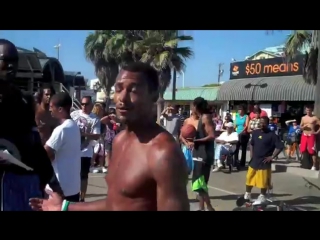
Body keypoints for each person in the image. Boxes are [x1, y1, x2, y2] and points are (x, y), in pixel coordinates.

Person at [30, 62, 189, 211]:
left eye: (133, 90)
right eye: (118, 89)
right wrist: (65, 207)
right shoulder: (120, 140)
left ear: (154, 95)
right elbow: (116, 203)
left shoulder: (164, 154)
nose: (122, 98)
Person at [0, 39, 54, 210]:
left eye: (14, 61)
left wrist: (50, 180)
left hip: (24, 184)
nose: (11, 66)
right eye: (5, 61)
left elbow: (34, 143)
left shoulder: (24, 100)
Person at [44, 93, 81, 202]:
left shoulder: (61, 129)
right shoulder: (74, 126)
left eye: (51, 107)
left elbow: (44, 154)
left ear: (60, 109)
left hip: (59, 188)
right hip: (73, 187)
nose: (50, 110)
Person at [181, 97, 215, 211]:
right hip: (198, 153)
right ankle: (201, 208)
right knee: (199, 184)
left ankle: (209, 208)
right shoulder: (201, 117)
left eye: (192, 105)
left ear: (196, 106)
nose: (191, 108)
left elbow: (212, 135)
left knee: (199, 184)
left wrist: (195, 141)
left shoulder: (206, 117)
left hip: (204, 155)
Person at [245, 116, 283, 203]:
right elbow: (252, 144)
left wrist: (272, 156)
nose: (262, 124)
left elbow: (280, 146)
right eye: (260, 123)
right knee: (249, 178)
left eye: (264, 123)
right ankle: (247, 194)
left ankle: (262, 196)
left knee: (263, 181)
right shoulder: (255, 132)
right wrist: (251, 154)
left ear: (267, 124)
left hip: (264, 162)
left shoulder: (272, 135)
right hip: (254, 160)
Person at [70, 96, 100, 202]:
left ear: (91, 105)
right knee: (72, 176)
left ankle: (82, 198)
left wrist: (82, 134)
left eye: (86, 104)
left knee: (83, 177)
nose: (84, 106)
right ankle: (71, 196)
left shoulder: (95, 118)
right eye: (82, 104)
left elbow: (97, 136)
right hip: (71, 151)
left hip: (85, 152)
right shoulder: (74, 114)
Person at [300, 105, 320, 170]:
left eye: (309, 110)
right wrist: (303, 127)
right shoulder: (303, 118)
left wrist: (317, 132)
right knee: (303, 149)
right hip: (304, 134)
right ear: (305, 110)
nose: (308, 111)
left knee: (312, 151)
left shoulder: (315, 118)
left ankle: (314, 165)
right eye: (307, 110)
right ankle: (304, 163)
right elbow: (300, 126)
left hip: (311, 135)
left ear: (312, 110)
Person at [91, 103, 108, 173]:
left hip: (101, 137)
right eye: (101, 110)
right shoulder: (94, 118)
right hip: (94, 138)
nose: (102, 111)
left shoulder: (101, 118)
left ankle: (101, 166)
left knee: (102, 152)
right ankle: (91, 166)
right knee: (95, 152)